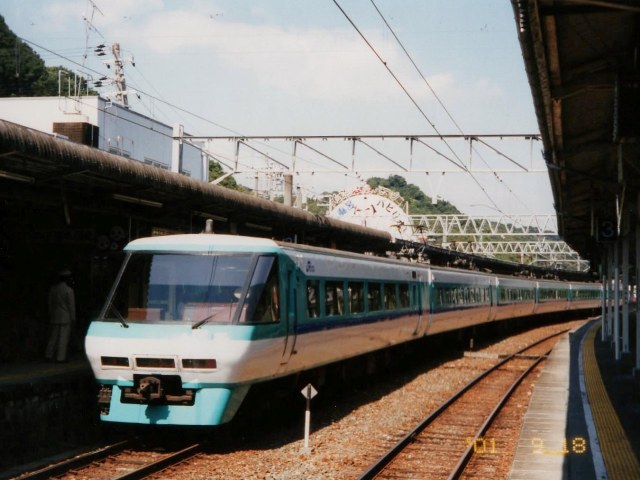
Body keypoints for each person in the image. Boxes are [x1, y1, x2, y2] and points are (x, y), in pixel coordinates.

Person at [45, 269, 76, 363]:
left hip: (55, 316)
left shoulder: (53, 289)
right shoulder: (69, 290)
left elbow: (50, 303)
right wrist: (73, 318)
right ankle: (60, 358)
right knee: (63, 338)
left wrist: (51, 314)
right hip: (65, 317)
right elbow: (71, 305)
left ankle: (48, 355)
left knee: (53, 337)